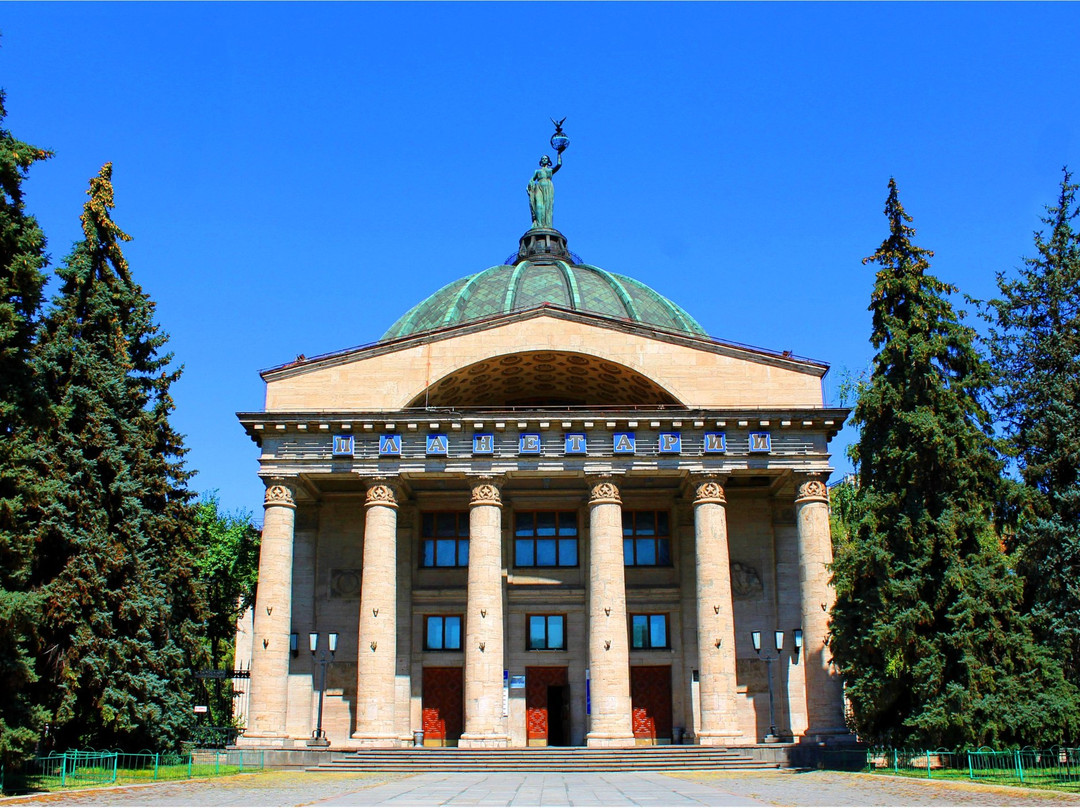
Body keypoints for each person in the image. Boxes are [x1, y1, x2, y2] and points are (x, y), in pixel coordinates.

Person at [527, 153, 562, 230]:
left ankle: (547, 224)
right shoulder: (537, 171)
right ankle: (539, 224)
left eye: (546, 159)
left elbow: (559, 165)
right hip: (538, 187)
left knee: (548, 206)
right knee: (539, 205)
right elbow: (532, 179)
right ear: (541, 161)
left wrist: (559, 154)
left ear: (548, 161)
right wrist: (529, 185)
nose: (544, 160)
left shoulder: (550, 170)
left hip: (548, 187)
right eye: (543, 159)